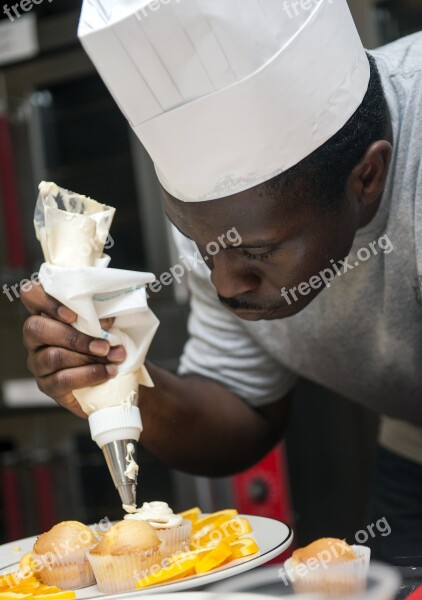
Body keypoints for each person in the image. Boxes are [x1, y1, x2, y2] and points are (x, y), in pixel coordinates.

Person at [20, 1, 422, 563]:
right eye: (201, 245)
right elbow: (242, 410)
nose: (227, 284)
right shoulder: (225, 231)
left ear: (369, 177)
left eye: (256, 251)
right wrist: (113, 375)